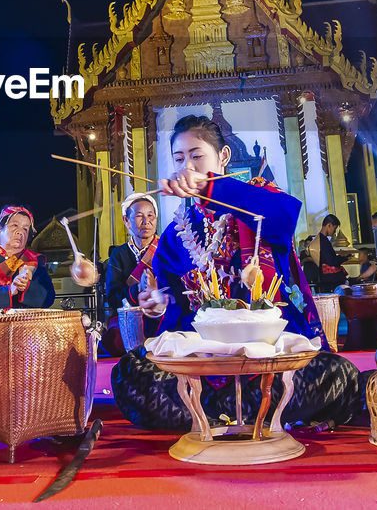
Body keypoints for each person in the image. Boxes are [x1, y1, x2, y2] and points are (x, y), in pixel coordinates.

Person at [112, 115, 360, 431]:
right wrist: (158, 301)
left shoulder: (255, 201)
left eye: (196, 155)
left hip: (266, 357)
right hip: (205, 363)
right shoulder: (177, 233)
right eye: (179, 158)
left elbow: (284, 214)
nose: (187, 165)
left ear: (223, 157)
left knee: (340, 375)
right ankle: (249, 412)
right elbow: (171, 300)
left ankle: (214, 414)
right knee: (128, 373)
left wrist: (212, 187)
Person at [101, 192, 161, 353]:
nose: (146, 221)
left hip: (160, 322)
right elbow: (113, 298)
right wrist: (137, 289)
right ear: (126, 221)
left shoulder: (164, 250)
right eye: (139, 216)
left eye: (151, 216)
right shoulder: (118, 255)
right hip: (129, 327)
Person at [0, 206, 55, 315]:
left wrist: (26, 288)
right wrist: (10, 290)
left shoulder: (33, 260)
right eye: (15, 225)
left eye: (25, 229)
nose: (20, 232)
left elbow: (48, 297)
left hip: (24, 326)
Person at [314, 214, 349, 291]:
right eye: (335, 228)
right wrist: (344, 257)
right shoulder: (323, 241)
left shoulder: (321, 239)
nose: (334, 232)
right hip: (329, 279)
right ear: (329, 225)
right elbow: (330, 261)